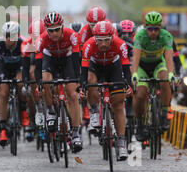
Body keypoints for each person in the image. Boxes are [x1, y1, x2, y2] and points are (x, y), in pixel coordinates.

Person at [81, 21, 131, 161]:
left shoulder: (120, 44)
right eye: (99, 40)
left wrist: (128, 85)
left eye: (106, 40)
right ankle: (95, 111)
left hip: (113, 67)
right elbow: (84, 71)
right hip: (95, 67)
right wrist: (83, 87)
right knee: (90, 81)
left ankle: (121, 142)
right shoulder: (89, 45)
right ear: (95, 38)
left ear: (112, 37)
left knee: (118, 105)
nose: (103, 44)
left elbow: (126, 69)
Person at [35, 11, 82, 152]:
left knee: (72, 94)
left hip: (68, 59)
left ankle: (75, 133)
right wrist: (39, 82)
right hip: (51, 60)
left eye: (57, 30)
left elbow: (76, 60)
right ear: (46, 31)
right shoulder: (42, 39)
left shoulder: (72, 35)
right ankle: (50, 111)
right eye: (51, 31)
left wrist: (78, 80)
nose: (54, 33)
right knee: (46, 83)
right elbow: (38, 63)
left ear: (62, 27)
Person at [131, 11, 175, 141]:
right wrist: (134, 74)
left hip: (158, 64)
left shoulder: (166, 36)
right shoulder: (140, 36)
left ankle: (165, 113)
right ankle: (139, 124)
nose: (154, 32)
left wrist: (171, 73)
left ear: (160, 28)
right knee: (140, 94)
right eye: (150, 29)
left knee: (165, 79)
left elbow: (168, 58)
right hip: (142, 67)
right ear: (146, 27)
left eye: (156, 29)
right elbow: (136, 59)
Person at [0, 21, 28, 147]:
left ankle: (23, 109)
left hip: (19, 69)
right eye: (6, 35)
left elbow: (26, 64)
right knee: (3, 93)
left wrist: (24, 78)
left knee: (20, 84)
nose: (8, 39)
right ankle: (2, 128)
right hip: (4, 70)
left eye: (11, 36)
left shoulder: (23, 44)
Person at [21, 19, 46, 142]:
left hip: (47, 65)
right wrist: (25, 82)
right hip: (34, 64)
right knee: (31, 73)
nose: (37, 39)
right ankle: (35, 110)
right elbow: (25, 67)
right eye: (34, 36)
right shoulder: (27, 44)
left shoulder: (49, 40)